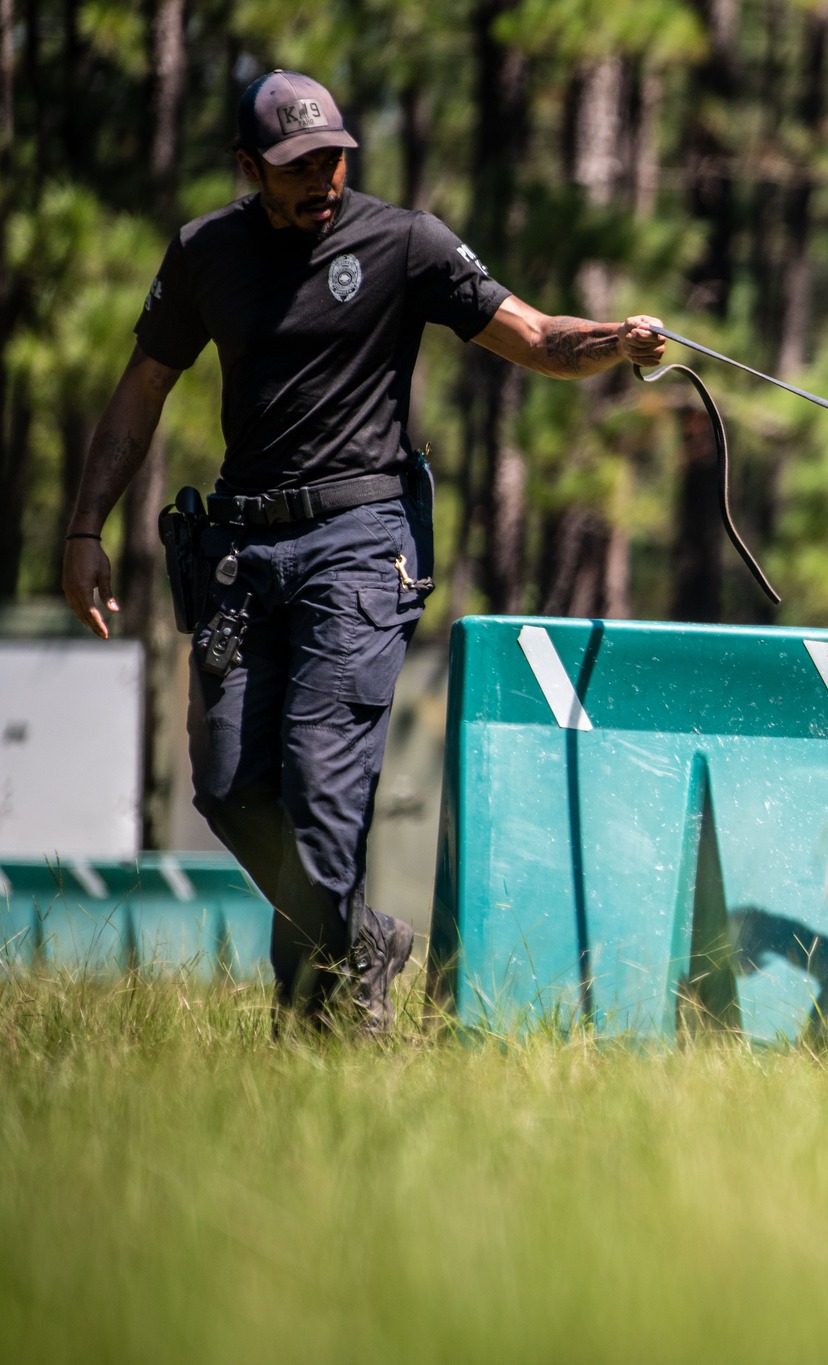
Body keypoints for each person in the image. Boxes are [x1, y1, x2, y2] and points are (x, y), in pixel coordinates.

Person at [60, 70, 666, 1034]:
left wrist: (618, 341)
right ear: (251, 167)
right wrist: (85, 526)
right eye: (299, 166)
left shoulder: (406, 242)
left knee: (321, 785)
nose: (324, 178)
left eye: (334, 157)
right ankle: (362, 943)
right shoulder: (204, 254)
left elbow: (541, 336)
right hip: (241, 550)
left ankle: (327, 1021)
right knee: (224, 788)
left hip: (359, 545)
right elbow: (142, 392)